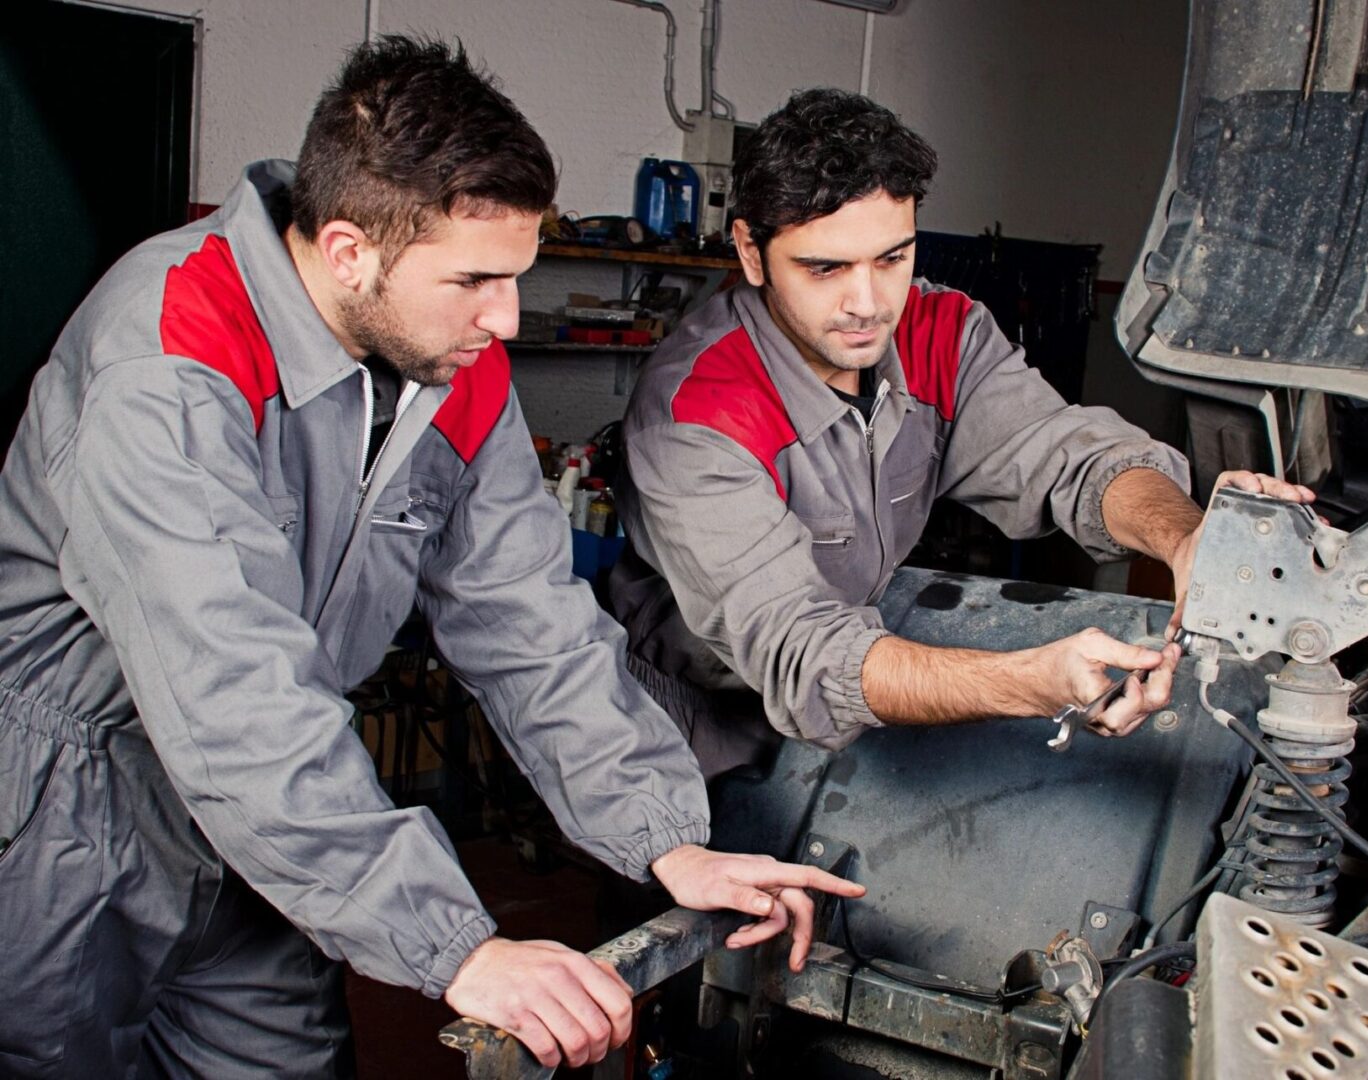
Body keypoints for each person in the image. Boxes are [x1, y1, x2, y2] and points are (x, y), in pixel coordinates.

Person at [0, 37, 859, 1078]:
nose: (503, 319)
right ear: (349, 249)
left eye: (516, 277)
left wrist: (664, 835)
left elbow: (527, 621)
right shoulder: (171, 353)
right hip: (76, 802)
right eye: (474, 280)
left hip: (291, 808)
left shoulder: (459, 368)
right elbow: (228, 692)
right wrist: (459, 944)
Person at [608, 88, 1313, 776]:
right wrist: (1026, 684)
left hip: (855, 692)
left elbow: (1070, 457)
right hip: (694, 728)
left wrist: (1186, 536)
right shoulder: (697, 414)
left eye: (891, 259)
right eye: (825, 269)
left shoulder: (940, 333)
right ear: (752, 252)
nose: (867, 304)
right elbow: (805, 653)